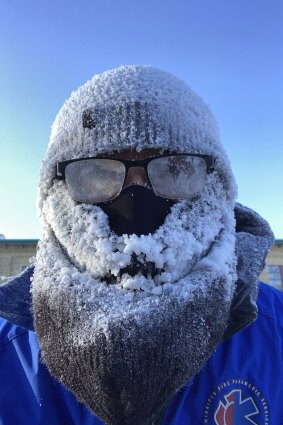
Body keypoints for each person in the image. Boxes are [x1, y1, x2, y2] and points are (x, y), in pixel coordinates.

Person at [0, 65, 282, 425]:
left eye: (175, 168)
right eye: (98, 172)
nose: (135, 198)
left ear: (215, 183)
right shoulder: (9, 350)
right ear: (57, 190)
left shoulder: (276, 335)